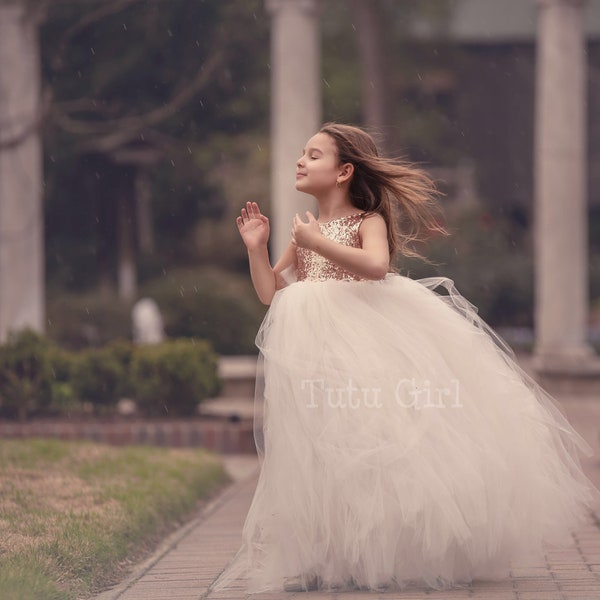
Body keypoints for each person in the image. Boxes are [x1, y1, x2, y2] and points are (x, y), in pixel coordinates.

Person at [211, 123, 599, 593]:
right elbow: (271, 293)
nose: (300, 160)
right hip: (315, 350)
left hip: (366, 346)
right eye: (303, 153)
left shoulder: (363, 220)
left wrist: (316, 244)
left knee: (371, 439)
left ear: (344, 171)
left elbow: (375, 267)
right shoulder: (305, 230)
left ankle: (386, 548)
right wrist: (257, 249)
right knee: (322, 444)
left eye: (313, 155)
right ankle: (332, 551)